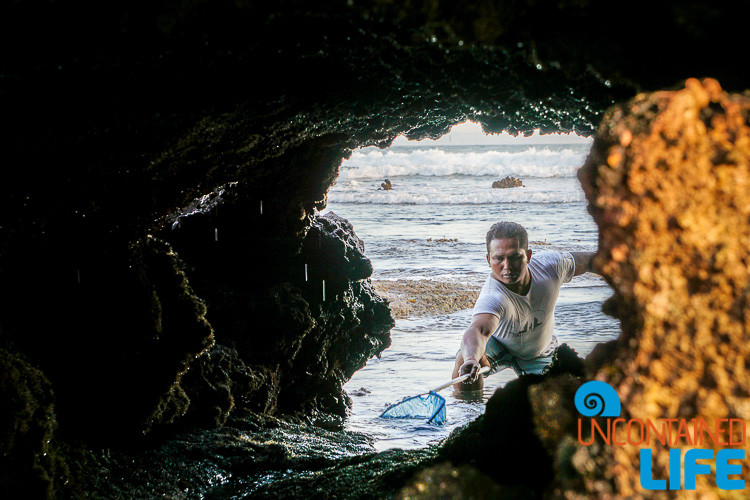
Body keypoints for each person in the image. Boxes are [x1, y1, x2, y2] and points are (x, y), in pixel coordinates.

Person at [452, 221, 595, 390]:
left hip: (538, 353)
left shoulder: (552, 267)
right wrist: (471, 359)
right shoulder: (493, 296)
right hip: (499, 346)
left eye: (515, 257)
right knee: (466, 364)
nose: (507, 266)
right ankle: (470, 410)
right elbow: (478, 330)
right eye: (499, 258)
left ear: (528, 255)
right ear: (489, 260)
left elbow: (591, 261)